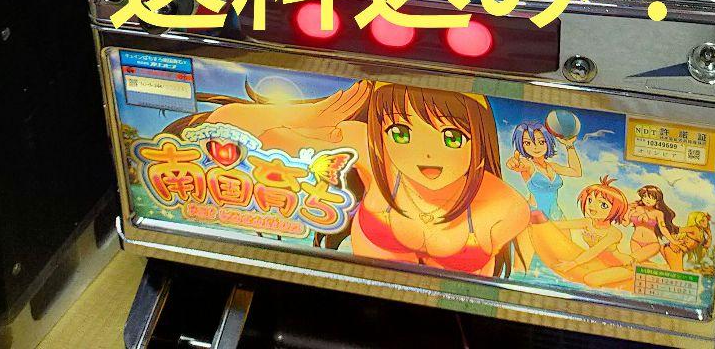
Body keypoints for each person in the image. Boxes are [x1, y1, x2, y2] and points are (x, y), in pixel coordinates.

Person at [208, 80, 529, 277]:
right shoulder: (373, 153)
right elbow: (224, 127)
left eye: (452, 137)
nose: (427, 154)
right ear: (379, 133)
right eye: (400, 132)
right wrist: (306, 115)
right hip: (354, 304)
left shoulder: (507, 206)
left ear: (482, 143)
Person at [520, 176, 635, 290]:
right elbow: (560, 225)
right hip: (599, 263)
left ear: (615, 210)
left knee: (590, 280)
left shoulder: (614, 233)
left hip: (623, 265)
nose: (592, 206)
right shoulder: (588, 222)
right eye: (590, 200)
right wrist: (535, 220)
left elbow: (595, 250)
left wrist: (573, 263)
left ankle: (633, 275)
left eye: (603, 205)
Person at [506, 122, 582, 220]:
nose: (535, 147)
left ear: (548, 142)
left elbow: (576, 172)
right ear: (522, 146)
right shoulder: (529, 165)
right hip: (535, 214)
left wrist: (569, 145)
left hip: (556, 214)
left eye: (541, 142)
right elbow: (517, 165)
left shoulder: (552, 166)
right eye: (528, 143)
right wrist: (512, 162)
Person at [623, 184, 681, 265]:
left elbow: (663, 229)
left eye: (651, 197)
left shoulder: (658, 213)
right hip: (635, 241)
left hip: (652, 244)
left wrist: (673, 241)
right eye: (645, 196)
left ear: (657, 199)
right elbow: (625, 223)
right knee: (640, 264)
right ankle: (658, 267)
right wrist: (628, 211)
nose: (647, 200)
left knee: (630, 260)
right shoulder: (637, 208)